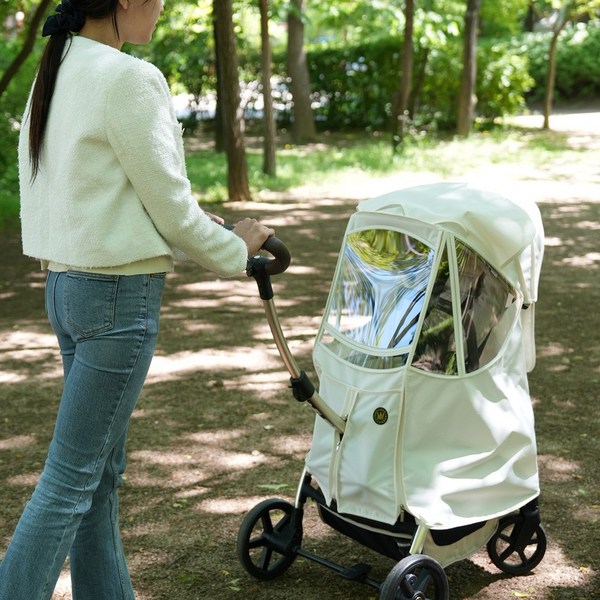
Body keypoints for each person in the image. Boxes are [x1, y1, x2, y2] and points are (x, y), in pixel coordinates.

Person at [0, 1, 274, 598]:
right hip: (116, 300)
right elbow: (172, 210)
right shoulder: (129, 77)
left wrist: (193, 232)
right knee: (71, 480)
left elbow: (100, 197)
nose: (165, 6)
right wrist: (237, 248)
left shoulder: (58, 67)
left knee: (95, 478)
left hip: (66, 288)